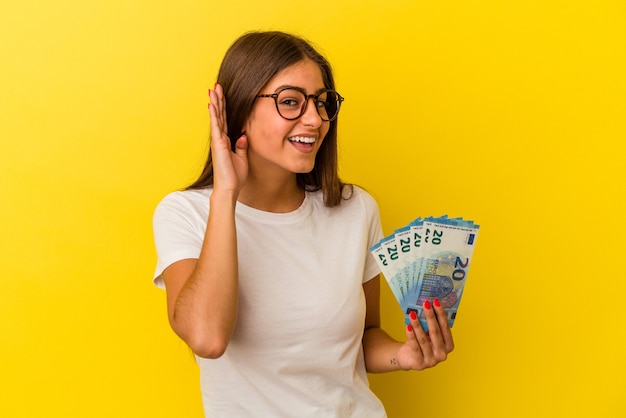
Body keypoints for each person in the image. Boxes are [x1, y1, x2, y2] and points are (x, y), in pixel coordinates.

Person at [152, 30, 454, 417]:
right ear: (240, 109)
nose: (315, 120)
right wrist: (225, 195)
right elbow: (208, 339)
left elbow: (362, 338)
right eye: (290, 102)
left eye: (322, 102)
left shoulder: (356, 209)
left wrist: (403, 354)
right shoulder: (185, 213)